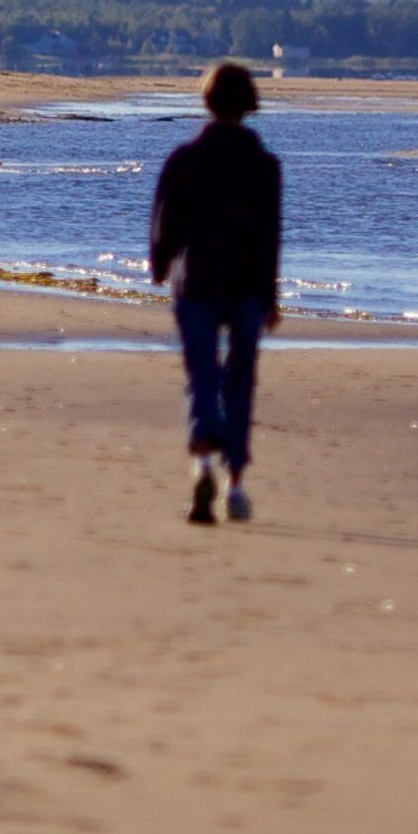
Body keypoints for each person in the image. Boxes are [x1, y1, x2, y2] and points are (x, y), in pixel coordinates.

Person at [149, 61, 282, 526]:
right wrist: (270, 296)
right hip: (245, 287)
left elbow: (165, 219)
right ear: (249, 105)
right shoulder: (264, 166)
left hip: (197, 283)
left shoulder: (185, 159)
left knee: (202, 377)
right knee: (240, 383)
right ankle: (236, 485)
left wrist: (160, 263)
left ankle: (203, 459)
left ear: (207, 101)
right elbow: (269, 235)